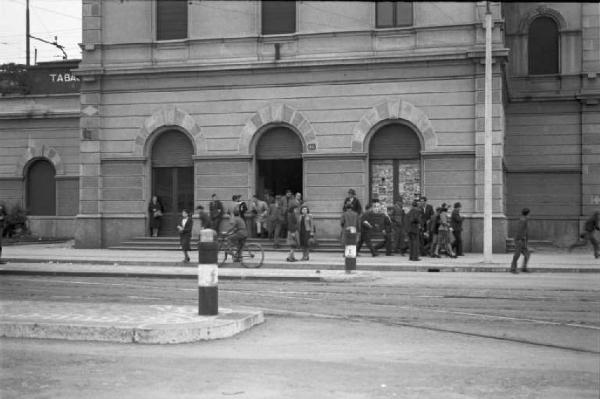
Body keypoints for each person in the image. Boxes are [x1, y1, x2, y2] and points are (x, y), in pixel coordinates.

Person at [510, 207, 531, 273]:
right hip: (520, 240)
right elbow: (519, 231)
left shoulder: (525, 219)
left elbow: (525, 231)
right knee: (517, 254)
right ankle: (513, 269)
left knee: (527, 254)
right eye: (529, 214)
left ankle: (524, 267)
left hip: (523, 240)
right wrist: (519, 239)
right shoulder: (522, 220)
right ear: (527, 214)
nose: (530, 215)